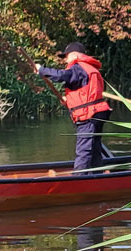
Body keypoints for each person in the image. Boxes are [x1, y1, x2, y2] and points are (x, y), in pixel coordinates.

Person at [35, 42, 112, 174]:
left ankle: (79, 177)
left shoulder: (78, 68)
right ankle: (96, 174)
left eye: (66, 56)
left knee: (84, 149)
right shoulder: (90, 68)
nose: (65, 60)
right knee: (94, 147)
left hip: (89, 115)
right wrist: (70, 101)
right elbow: (85, 92)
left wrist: (42, 70)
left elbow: (61, 76)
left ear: (75, 54)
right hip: (98, 113)